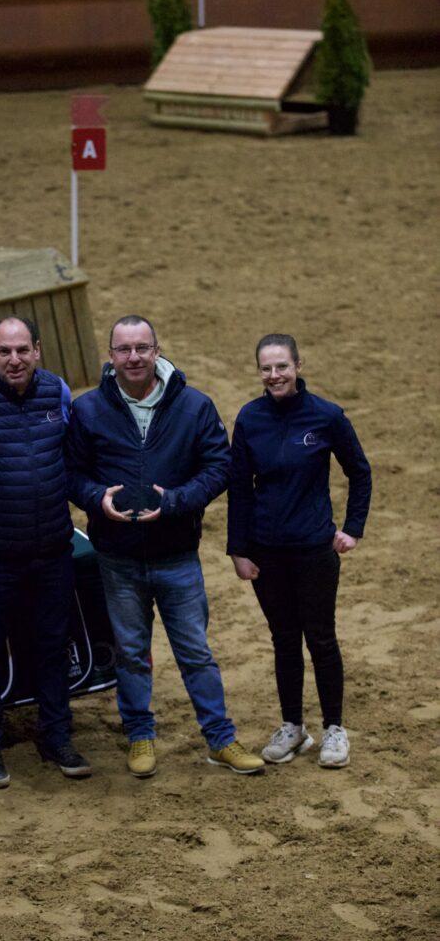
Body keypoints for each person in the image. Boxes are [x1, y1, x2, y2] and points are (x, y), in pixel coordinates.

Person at [66, 314, 263, 778]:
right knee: (131, 653)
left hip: (177, 556)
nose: (133, 357)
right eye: (123, 349)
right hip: (117, 557)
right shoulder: (88, 409)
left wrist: (176, 502)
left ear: (157, 351)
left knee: (195, 651)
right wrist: (97, 499)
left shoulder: (194, 406)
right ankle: (139, 736)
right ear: (110, 357)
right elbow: (71, 473)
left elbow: (220, 467)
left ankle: (220, 739)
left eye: (142, 347)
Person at [0, 316, 91, 789]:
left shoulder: (59, 394)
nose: (14, 359)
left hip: (51, 550)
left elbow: (71, 460)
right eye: (4, 351)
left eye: (22, 350)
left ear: (38, 351)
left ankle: (56, 736)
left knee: (52, 647)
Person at [227, 333, 372, 768]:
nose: (275, 376)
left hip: (313, 551)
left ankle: (334, 729)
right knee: (284, 640)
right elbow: (239, 490)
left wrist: (352, 529)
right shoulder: (249, 419)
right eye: (267, 369)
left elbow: (360, 473)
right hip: (267, 553)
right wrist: (239, 550)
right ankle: (293, 727)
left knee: (321, 639)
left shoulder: (327, 416)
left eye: (282, 367)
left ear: (298, 366)